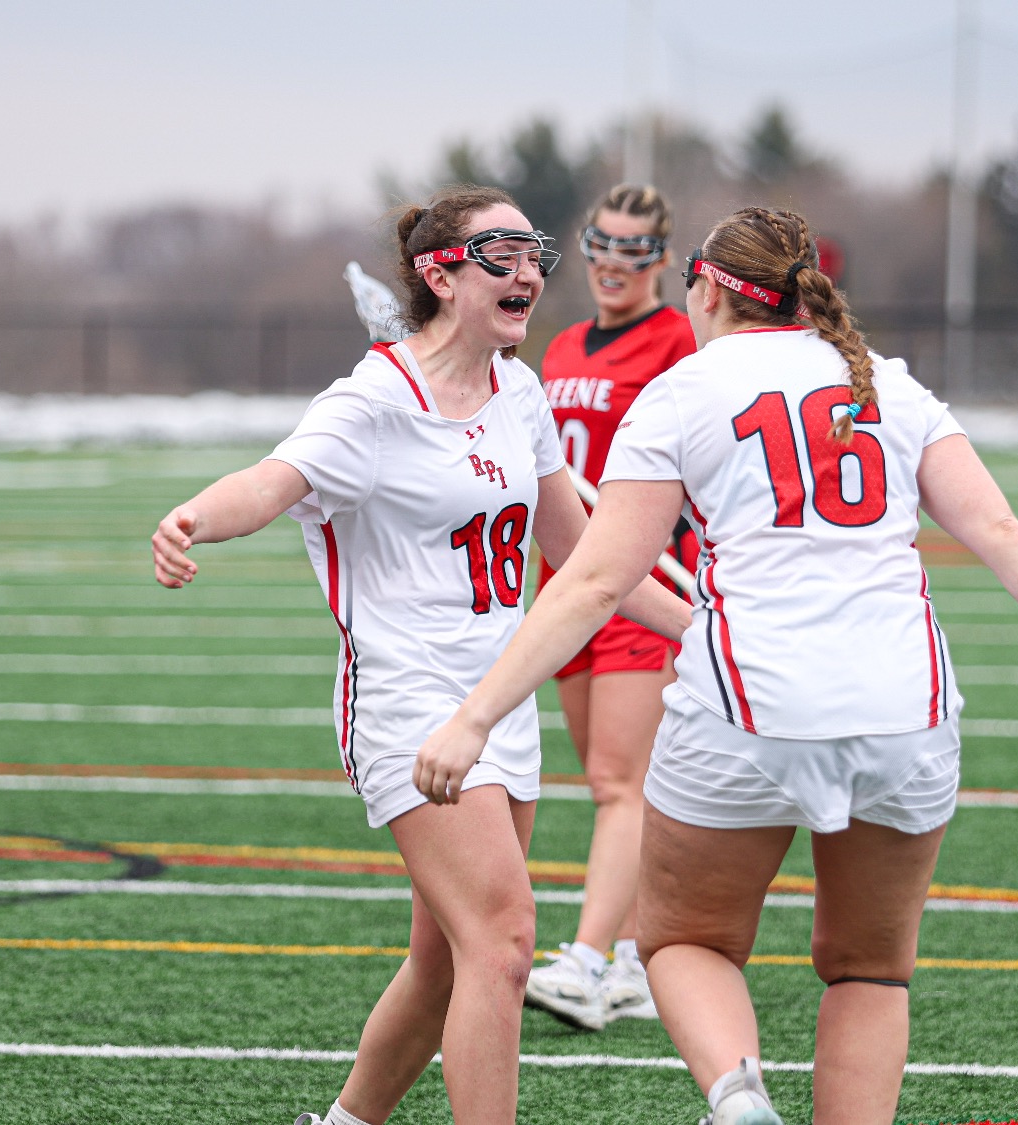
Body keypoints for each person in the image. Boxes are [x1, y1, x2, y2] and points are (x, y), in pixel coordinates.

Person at [414, 206, 1018, 1125]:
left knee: (687, 942)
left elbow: (595, 579)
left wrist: (475, 715)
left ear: (712, 286)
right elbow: (1001, 533)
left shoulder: (684, 390)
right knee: (871, 970)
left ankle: (736, 1097)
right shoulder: (887, 382)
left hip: (745, 709)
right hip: (906, 712)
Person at [150, 185, 689, 1125]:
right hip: (405, 702)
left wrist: (706, 630)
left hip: (498, 698)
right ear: (440, 274)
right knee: (507, 940)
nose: (528, 272)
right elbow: (273, 480)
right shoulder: (373, 399)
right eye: (500, 255)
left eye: (533, 254)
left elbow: (586, 549)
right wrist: (193, 516)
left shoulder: (518, 391)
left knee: (446, 959)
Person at [525, 183, 699, 1032]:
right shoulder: (558, 348)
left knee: (617, 780)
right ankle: (632, 957)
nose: (612, 264)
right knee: (611, 780)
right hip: (570, 583)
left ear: (662, 258)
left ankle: (590, 962)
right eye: (600, 245)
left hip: (645, 581)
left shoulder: (681, 341)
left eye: (633, 249)